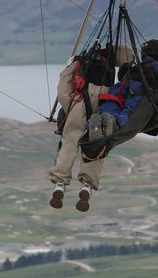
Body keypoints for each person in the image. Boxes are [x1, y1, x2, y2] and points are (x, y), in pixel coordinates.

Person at [82, 38, 158, 161]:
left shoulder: (135, 69)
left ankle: (102, 118)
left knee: (113, 107)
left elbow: (121, 87)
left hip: (120, 92)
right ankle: (113, 124)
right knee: (128, 119)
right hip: (144, 99)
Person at [48, 45, 133, 213]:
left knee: (69, 142)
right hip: (102, 108)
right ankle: (87, 184)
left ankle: (60, 182)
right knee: (96, 144)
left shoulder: (77, 84)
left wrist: (72, 65)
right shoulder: (110, 89)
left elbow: (62, 90)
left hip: (78, 105)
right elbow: (129, 57)